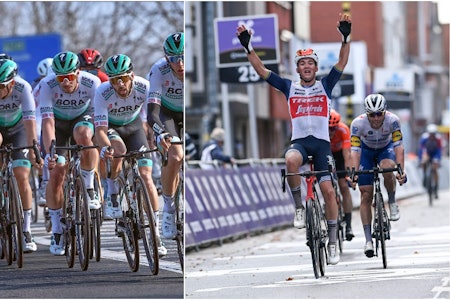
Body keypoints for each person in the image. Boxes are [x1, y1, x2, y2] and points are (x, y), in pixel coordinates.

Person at [236, 13, 352, 265]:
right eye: (302, 63)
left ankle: (332, 242)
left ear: (315, 67)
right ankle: (299, 207)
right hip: (299, 141)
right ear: (297, 68)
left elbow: (343, 61)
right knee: (290, 160)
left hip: (321, 145)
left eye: (311, 63)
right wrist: (248, 46)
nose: (307, 66)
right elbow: (261, 70)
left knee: (329, 193)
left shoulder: (326, 85)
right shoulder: (289, 87)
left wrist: (345, 38)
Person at [94, 54, 167, 257]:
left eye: (123, 79)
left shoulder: (144, 86)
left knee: (146, 176)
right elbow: (99, 129)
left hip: (135, 128)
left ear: (132, 76)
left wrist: (158, 137)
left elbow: (154, 116)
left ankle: (155, 232)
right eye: (114, 80)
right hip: (112, 129)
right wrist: (105, 147)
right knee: (118, 150)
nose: (120, 84)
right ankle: (113, 193)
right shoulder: (103, 92)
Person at [37, 51, 102, 255]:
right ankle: (57, 228)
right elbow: (47, 123)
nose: (65, 82)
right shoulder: (47, 85)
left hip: (84, 117)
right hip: (57, 124)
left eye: (70, 77)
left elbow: (101, 118)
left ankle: (89, 184)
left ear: (78, 72)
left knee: (83, 135)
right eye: (60, 77)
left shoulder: (92, 83)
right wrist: (51, 153)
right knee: (57, 172)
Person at [349, 93, 407, 258]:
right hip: (365, 152)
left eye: (379, 114)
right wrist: (353, 173)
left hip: (385, 149)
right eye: (371, 115)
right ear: (366, 114)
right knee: (366, 194)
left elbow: (399, 147)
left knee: (388, 167)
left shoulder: (393, 120)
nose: (375, 118)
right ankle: (368, 240)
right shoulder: (357, 124)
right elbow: (354, 151)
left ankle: (392, 201)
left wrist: (401, 170)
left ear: (385, 112)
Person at [0, 59, 41, 252]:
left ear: (12, 83)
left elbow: (30, 121)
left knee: (22, 174)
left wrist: (34, 149)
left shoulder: (23, 88)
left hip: (18, 129)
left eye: (1, 87)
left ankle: (26, 229)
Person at [147, 32, 184, 240]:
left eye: (184, 57)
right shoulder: (158, 71)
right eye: (174, 59)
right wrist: (160, 132)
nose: (180, 64)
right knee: (176, 155)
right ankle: (169, 207)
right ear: (166, 58)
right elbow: (152, 113)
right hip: (167, 113)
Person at [328, 109, 354, 241]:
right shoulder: (320, 131)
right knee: (327, 187)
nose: (331, 131)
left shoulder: (343, 130)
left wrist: (348, 173)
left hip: (340, 156)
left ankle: (348, 224)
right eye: (328, 128)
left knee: (344, 186)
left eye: (333, 128)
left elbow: (347, 154)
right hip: (327, 155)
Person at [31, 58, 54, 206]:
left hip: (61, 116)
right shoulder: (36, 88)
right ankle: (44, 180)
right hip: (41, 114)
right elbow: (35, 115)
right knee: (43, 140)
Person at [417, 123, 443, 199]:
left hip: (435, 154)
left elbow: (439, 150)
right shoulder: (424, 138)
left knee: (435, 168)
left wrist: (437, 159)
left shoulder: (438, 139)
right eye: (430, 134)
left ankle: (436, 186)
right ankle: (425, 175)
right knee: (424, 161)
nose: (432, 136)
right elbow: (421, 149)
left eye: (433, 134)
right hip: (427, 153)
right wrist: (421, 159)